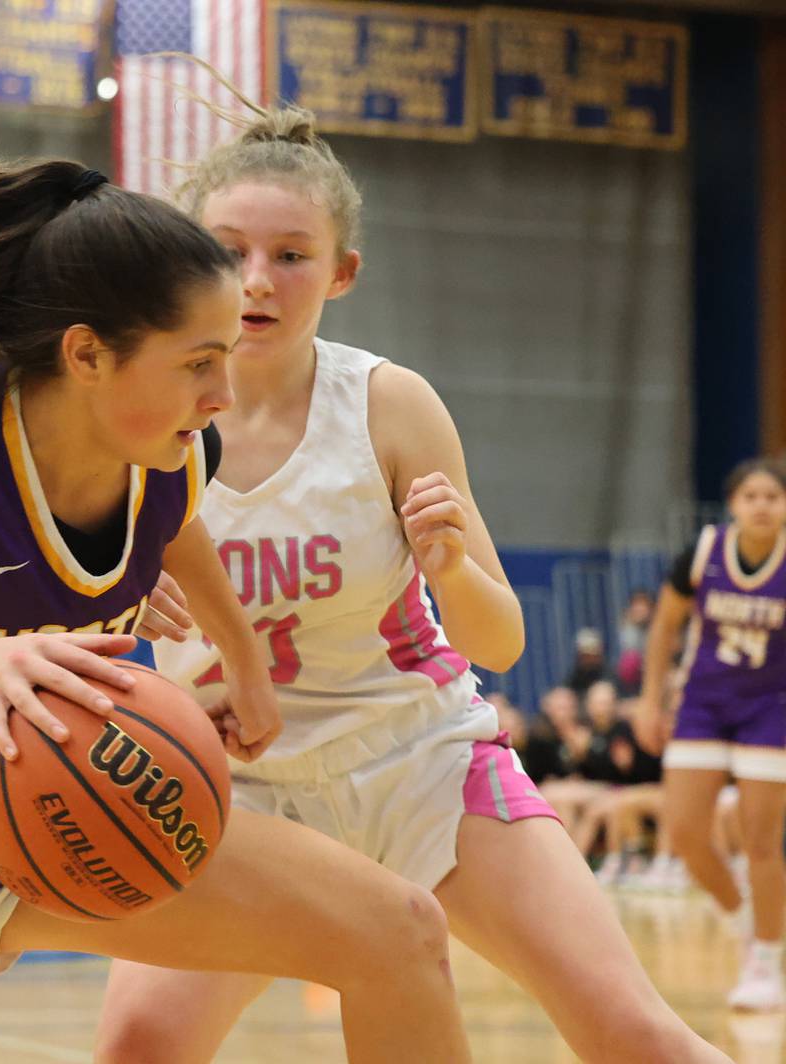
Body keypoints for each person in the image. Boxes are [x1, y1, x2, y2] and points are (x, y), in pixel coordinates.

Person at [0, 59, 473, 1063]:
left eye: (228, 354)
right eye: (197, 360)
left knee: (399, 932)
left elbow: (178, 526)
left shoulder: (178, 450)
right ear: (88, 354)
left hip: (67, 786)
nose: (224, 392)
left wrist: (243, 657)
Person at [94, 85, 728, 1064]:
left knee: (634, 1031)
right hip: (232, 786)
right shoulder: (130, 415)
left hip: (418, 761)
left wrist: (454, 566)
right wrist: (112, 597)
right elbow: (54, 618)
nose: (258, 278)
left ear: (342, 271)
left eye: (292, 254)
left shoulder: (387, 405)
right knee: (139, 1041)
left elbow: (501, 638)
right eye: (230, 249)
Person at [636, 457, 786, 1009]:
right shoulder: (702, 553)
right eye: (752, 496)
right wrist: (651, 700)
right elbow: (665, 627)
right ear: (734, 505)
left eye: (774, 495)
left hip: (772, 709)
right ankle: (746, 919)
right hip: (703, 704)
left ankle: (767, 964)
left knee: (762, 842)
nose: (763, 505)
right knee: (687, 834)